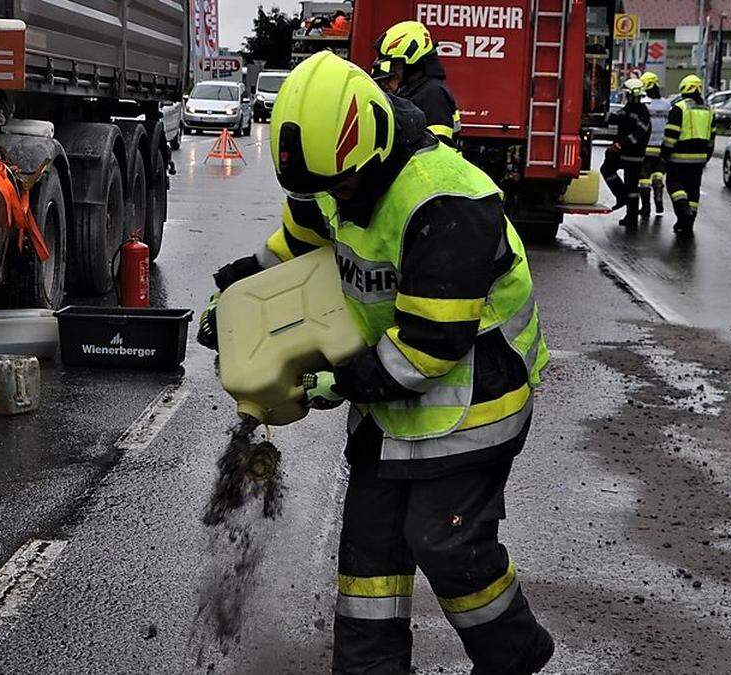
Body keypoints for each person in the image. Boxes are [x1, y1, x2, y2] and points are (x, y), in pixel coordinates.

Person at [197, 52, 554, 674]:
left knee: (445, 545)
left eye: (342, 185)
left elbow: (428, 348)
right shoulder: (330, 176)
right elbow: (292, 249)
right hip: (388, 406)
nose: (334, 199)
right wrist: (228, 299)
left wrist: (335, 382)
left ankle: (515, 656)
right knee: (369, 567)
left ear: (373, 144)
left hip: (476, 401)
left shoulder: (446, 202)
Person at [370, 20, 462, 147]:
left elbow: (436, 149)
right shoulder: (415, 91)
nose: (391, 73)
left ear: (411, 63)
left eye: (395, 66)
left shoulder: (432, 94)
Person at [662, 74, 715, 234]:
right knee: (693, 190)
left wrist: (665, 154)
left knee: (674, 185)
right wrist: (707, 156)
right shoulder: (708, 110)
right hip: (699, 159)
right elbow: (712, 136)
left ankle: (683, 211)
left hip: (678, 158)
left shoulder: (679, 108)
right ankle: (688, 224)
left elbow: (671, 135)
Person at [601, 77, 651, 227]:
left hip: (634, 155)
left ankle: (632, 216)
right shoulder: (629, 108)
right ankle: (622, 196)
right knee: (607, 169)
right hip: (624, 152)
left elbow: (638, 134)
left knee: (632, 186)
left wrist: (619, 145)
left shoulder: (643, 113)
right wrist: (600, 113)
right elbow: (618, 118)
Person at [638, 71, 670, 217]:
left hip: (646, 146)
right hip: (661, 147)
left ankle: (645, 207)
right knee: (658, 175)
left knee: (644, 178)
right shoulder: (666, 104)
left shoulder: (644, 104)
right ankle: (659, 200)